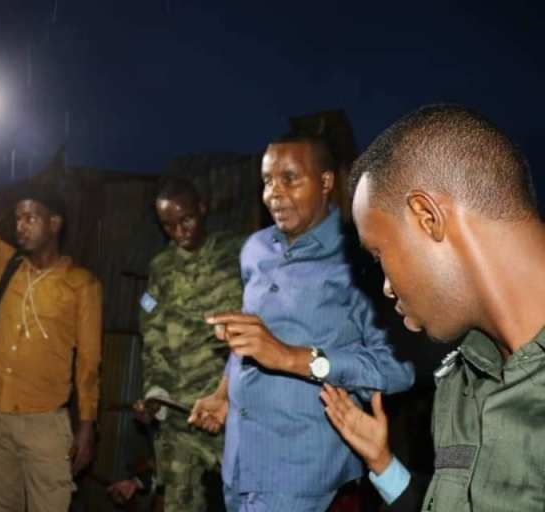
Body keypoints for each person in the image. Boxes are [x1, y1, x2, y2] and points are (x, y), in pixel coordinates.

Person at [320, 104, 545, 511]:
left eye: (378, 255)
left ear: (427, 217)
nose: (386, 287)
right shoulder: (461, 383)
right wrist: (384, 465)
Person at [188, 135, 415, 512]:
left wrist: (295, 358)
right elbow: (251, 338)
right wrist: (223, 394)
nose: (274, 193)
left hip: (303, 479)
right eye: (267, 181)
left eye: (289, 179)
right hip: (239, 465)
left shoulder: (360, 258)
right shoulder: (255, 249)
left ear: (325, 182)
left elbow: (398, 369)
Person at [0, 127, 102, 512]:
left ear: (55, 223)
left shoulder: (81, 283)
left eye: (31, 218)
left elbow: (88, 363)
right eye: (18, 218)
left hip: (44, 424)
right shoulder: (4, 262)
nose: (20, 226)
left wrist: (86, 426)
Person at [136, 177, 243, 511]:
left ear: (203, 208)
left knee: (248, 500)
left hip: (231, 407)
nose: (179, 231)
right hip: (179, 413)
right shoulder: (160, 269)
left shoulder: (237, 253)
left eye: (186, 220)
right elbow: (153, 336)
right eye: (168, 225)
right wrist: (155, 393)